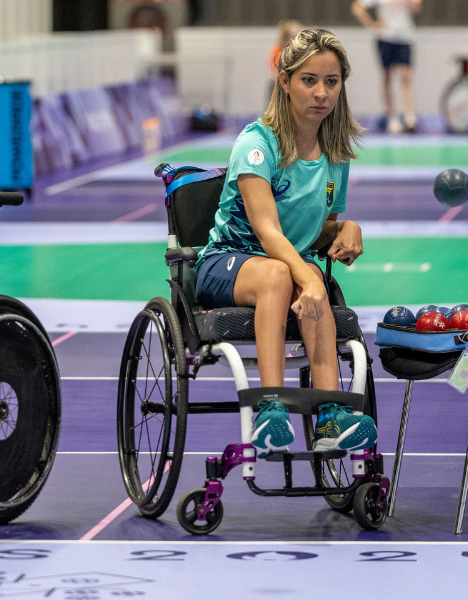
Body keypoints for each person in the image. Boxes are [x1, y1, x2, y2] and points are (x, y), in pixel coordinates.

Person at [195, 29, 377, 457]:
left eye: (331, 82)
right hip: (228, 263)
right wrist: (308, 278)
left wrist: (347, 230)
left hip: (284, 263)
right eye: (309, 80)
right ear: (285, 81)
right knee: (286, 273)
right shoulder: (257, 144)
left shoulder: (335, 154)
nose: (321, 92)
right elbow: (268, 231)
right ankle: (270, 408)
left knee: (306, 272)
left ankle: (331, 414)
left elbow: (315, 231)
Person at [351, 0, 421, 134]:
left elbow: (416, 9)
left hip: (405, 37)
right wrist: (371, 24)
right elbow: (358, 7)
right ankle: (392, 118)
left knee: (406, 76)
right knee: (387, 76)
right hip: (385, 37)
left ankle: (410, 118)